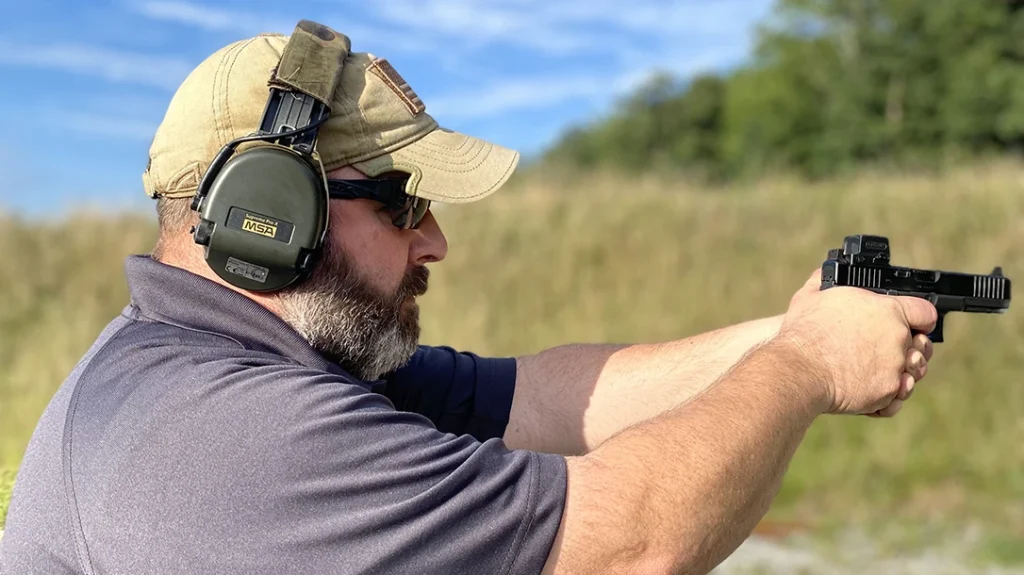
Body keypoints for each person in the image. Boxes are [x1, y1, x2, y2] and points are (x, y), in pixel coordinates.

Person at [0, 23, 936, 575]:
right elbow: (631, 544)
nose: (435, 241)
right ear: (269, 211)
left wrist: (801, 319)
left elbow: (541, 394)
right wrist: (809, 364)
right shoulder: (227, 433)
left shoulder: (238, 362)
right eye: (405, 205)